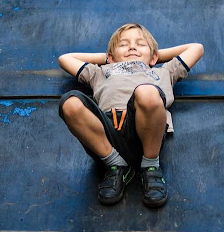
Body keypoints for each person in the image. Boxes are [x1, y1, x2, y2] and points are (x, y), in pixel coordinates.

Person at [58, 23, 204, 207]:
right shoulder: (100, 72)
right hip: (106, 135)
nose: (132, 47)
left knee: (147, 92)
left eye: (140, 44)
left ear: (154, 57)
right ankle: (116, 165)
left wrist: (154, 56)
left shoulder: (163, 71)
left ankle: (150, 166)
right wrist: (110, 59)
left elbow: (196, 48)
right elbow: (66, 59)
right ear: (110, 57)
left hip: (146, 133)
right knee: (69, 102)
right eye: (123, 44)